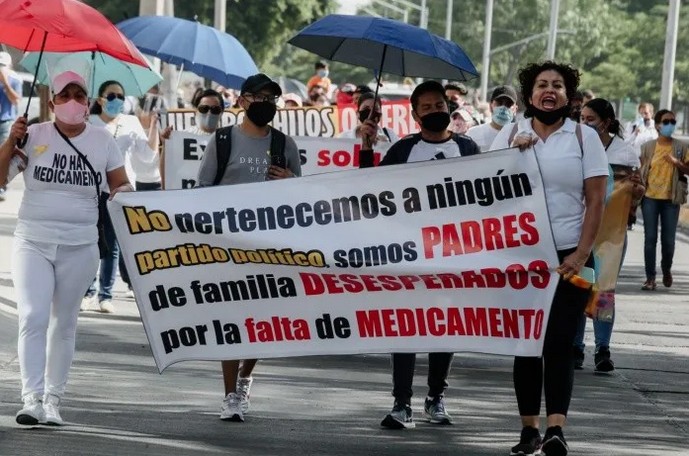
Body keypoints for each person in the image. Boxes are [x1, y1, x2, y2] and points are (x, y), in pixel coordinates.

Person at [0, 68, 132, 426]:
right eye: (65, 95)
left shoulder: (103, 139)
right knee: (33, 316)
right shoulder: (32, 134)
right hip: (34, 242)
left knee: (64, 323)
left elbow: (121, 183)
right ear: (52, 101)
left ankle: (54, 400)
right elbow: (0, 177)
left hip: (80, 245)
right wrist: (11, 141)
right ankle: (32, 398)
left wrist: (122, 194)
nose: (72, 102)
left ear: (88, 102)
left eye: (79, 95)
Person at [490, 61, 608, 456]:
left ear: (568, 95)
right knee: (527, 342)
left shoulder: (583, 137)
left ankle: (556, 428)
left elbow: (595, 199)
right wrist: (511, 156)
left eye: (558, 85)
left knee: (558, 341)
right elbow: (485, 191)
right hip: (521, 256)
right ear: (529, 94)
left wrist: (581, 253)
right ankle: (529, 430)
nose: (550, 90)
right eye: (542, 84)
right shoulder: (509, 135)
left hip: (572, 257)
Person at [358, 80, 480, 429]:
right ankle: (401, 403)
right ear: (415, 115)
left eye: (438, 105)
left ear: (448, 107)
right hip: (409, 254)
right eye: (426, 107)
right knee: (407, 327)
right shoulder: (402, 150)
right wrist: (366, 147)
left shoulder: (468, 148)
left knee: (445, 327)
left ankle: (436, 398)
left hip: (455, 256)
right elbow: (369, 191)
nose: (434, 111)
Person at [197, 73, 301, 422]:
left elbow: (301, 199)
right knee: (231, 320)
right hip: (228, 246)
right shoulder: (223, 140)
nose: (265, 104)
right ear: (242, 102)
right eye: (258, 98)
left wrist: (291, 182)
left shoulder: (284, 145)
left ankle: (245, 377)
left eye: (271, 98)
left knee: (261, 321)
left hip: (270, 247)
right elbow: (203, 189)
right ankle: (229, 395)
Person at [573, 98, 644, 374]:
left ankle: (603, 348)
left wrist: (637, 192)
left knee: (605, 288)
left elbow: (637, 190)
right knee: (579, 285)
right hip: (578, 228)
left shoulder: (625, 153)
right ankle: (575, 346)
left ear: (606, 121)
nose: (585, 123)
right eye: (582, 118)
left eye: (590, 118)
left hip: (612, 234)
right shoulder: (575, 145)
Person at [82, 80, 161, 312]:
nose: (116, 100)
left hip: (121, 191)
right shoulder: (89, 123)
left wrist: (154, 128)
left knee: (113, 243)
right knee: (91, 242)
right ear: (100, 99)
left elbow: (147, 155)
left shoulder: (130, 122)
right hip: (91, 190)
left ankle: (106, 295)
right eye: (111, 95)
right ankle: (88, 291)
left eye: (120, 95)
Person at [639, 109, 689, 291]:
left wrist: (676, 162)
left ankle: (666, 269)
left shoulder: (681, 147)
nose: (670, 125)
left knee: (668, 241)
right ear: (658, 125)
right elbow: (640, 171)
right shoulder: (647, 147)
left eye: (673, 122)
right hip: (650, 199)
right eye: (667, 121)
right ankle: (650, 277)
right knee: (650, 239)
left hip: (671, 200)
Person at [466, 85, 518, 151]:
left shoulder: (520, 135)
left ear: (515, 109)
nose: (503, 108)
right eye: (499, 103)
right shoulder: (472, 134)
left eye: (508, 104)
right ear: (490, 106)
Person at [0, 51, 21, 202]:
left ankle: (1, 187)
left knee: (3, 154)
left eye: (3, 66)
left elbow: (16, 100)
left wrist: (5, 82)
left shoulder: (14, 79)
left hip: (6, 122)